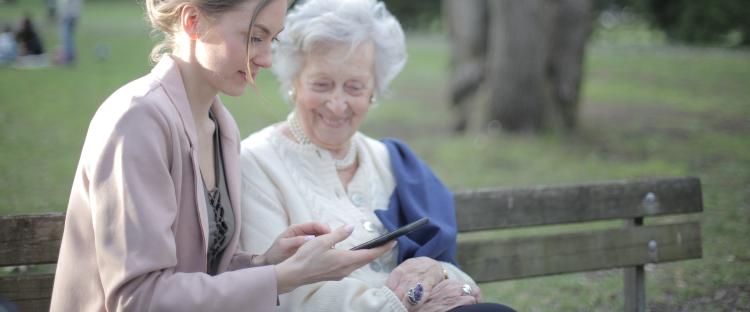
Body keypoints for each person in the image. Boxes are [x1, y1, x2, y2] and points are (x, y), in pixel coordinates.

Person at [50, 0, 393, 310]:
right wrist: (281, 278)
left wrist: (267, 262)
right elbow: (138, 298)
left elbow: (199, 269)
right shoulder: (137, 120)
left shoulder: (220, 124)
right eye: (254, 37)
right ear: (193, 22)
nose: (267, 59)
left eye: (272, 39)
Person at [239, 0, 516, 311]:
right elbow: (285, 295)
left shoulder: (391, 161)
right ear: (294, 82)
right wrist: (402, 304)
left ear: (374, 91)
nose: (337, 103)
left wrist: (440, 273)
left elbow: (453, 273)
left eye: (355, 87)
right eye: (322, 84)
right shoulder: (256, 162)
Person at [55, 0, 80, 64]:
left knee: (67, 38)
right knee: (68, 37)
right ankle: (70, 56)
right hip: (69, 16)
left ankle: (69, 57)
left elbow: (68, 4)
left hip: (68, 16)